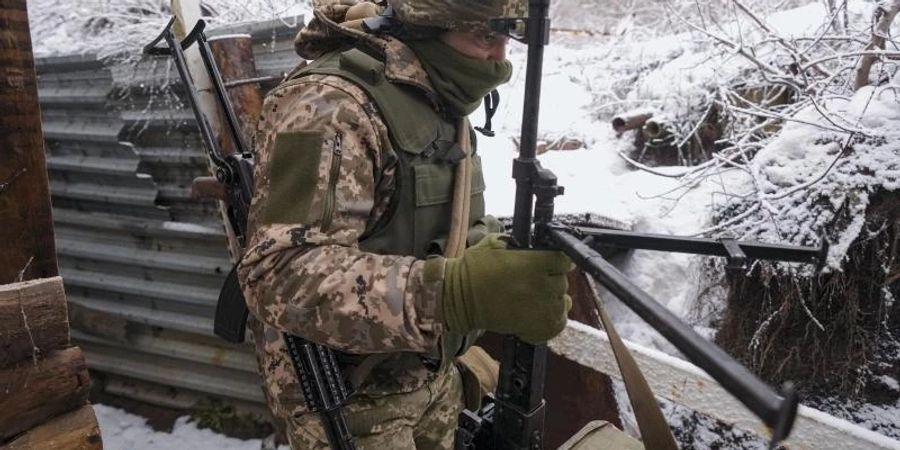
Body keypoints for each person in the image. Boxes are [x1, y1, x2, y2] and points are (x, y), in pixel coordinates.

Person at [237, 1, 573, 448]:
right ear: (431, 27)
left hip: (432, 378)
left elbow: (420, 217)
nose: (500, 58)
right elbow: (277, 274)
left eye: (506, 38)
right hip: (352, 402)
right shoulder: (331, 105)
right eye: (484, 37)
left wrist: (492, 257)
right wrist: (451, 293)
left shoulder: (435, 92)